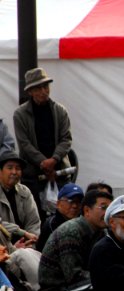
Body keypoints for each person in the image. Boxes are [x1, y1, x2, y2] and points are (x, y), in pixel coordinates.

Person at [13, 67, 72, 221]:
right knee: (35, 217)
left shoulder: (60, 111)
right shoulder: (20, 115)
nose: (43, 91)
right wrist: (43, 162)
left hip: (60, 174)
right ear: (30, 91)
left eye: (45, 86)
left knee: (65, 215)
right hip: (33, 176)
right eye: (38, 88)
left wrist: (54, 160)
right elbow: (24, 144)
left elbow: (66, 139)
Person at [37, 190, 113, 291]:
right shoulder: (70, 232)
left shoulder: (102, 233)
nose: (108, 213)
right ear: (87, 210)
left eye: (110, 209)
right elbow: (73, 276)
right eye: (104, 208)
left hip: (81, 286)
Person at [0, 151, 40, 243]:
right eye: (10, 168)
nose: (14, 172)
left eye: (18, 168)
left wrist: (29, 242)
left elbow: (33, 222)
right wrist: (23, 234)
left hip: (26, 245)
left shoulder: (24, 192)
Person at [36, 182, 84, 252]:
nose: (75, 206)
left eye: (78, 202)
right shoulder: (51, 225)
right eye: (71, 201)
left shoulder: (83, 226)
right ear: (58, 203)